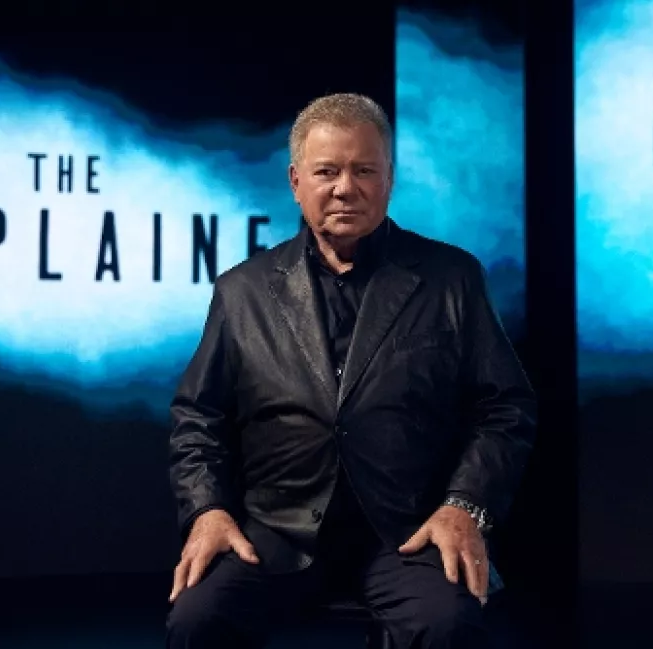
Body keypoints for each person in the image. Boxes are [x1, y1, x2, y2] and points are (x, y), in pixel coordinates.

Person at [165, 92, 536, 649]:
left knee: (449, 625)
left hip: (409, 531)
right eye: (327, 171)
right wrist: (208, 510)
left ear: (389, 179)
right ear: (296, 182)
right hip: (277, 529)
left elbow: (505, 408)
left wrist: (463, 506)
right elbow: (198, 416)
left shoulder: (452, 278)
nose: (345, 187)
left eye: (364, 170)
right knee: (196, 621)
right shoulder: (242, 291)